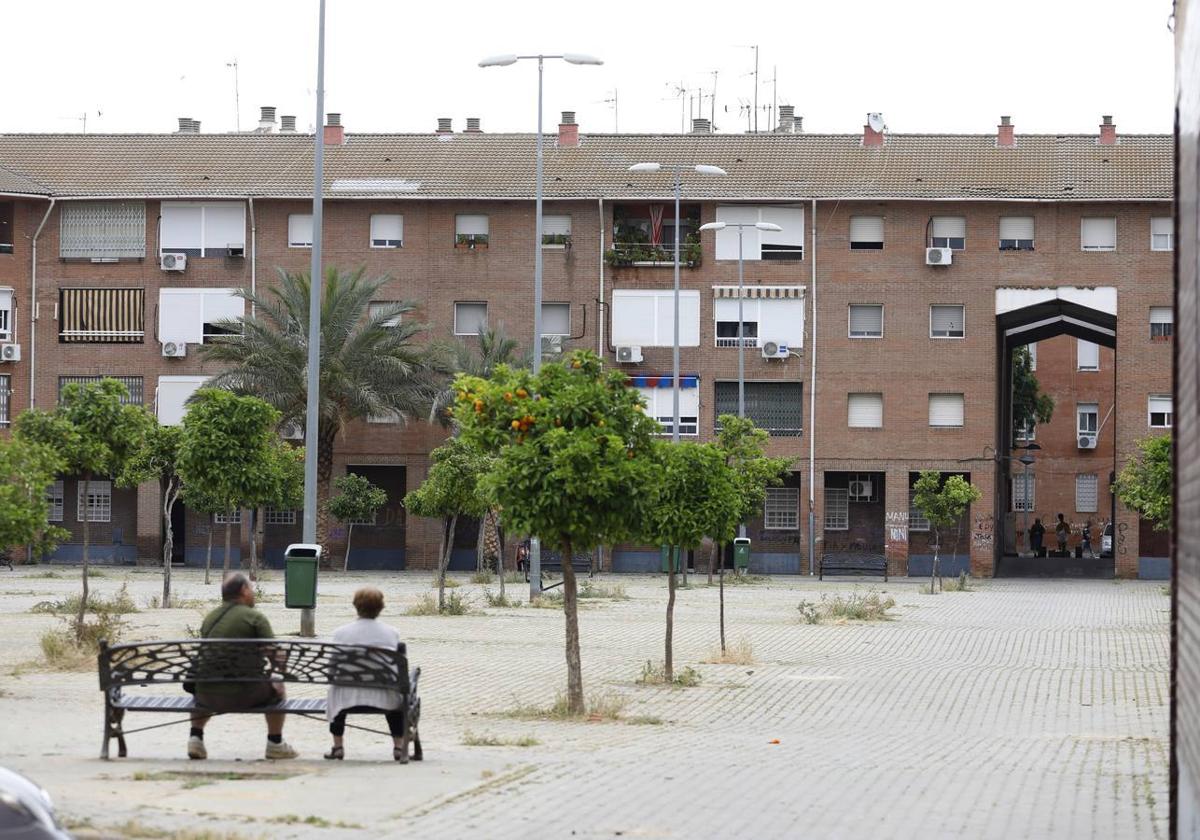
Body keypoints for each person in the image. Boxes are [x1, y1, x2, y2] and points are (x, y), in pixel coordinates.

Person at [187, 572, 297, 761]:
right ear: (244, 591)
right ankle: (275, 743)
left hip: (206, 696)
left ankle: (195, 737)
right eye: (251, 588)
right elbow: (277, 659)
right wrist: (283, 665)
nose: (253, 592)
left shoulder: (210, 618)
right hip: (246, 694)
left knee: (206, 680)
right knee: (278, 685)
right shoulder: (255, 618)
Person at [325, 587, 406, 761]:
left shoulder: (341, 633)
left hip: (346, 698)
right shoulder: (392, 633)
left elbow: (332, 669)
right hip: (383, 697)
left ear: (355, 606)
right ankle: (398, 746)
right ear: (381, 607)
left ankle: (338, 746)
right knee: (396, 694)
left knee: (335, 688)